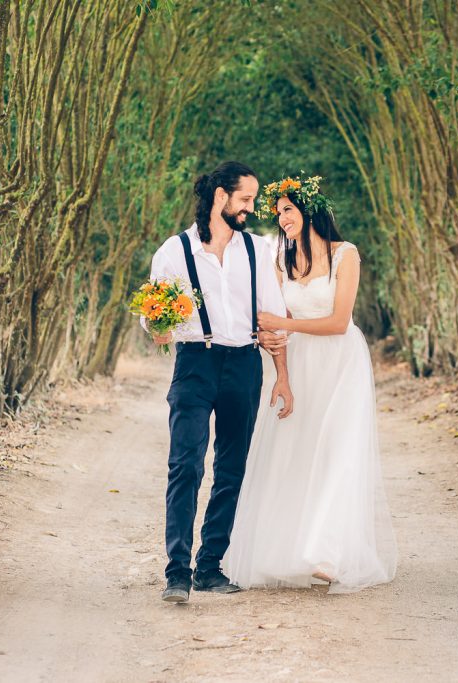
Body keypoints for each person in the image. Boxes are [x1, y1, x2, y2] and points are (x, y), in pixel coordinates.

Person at [223, 174, 397, 594]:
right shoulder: (281, 262)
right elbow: (271, 321)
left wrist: (283, 322)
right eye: (277, 213)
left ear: (309, 209)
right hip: (300, 366)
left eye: (287, 209)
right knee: (296, 455)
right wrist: (276, 361)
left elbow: (339, 322)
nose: (282, 219)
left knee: (338, 454)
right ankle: (286, 549)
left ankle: (328, 552)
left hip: (340, 364)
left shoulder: (345, 255)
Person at [145, 161, 293, 604]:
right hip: (195, 362)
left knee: (232, 470)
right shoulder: (174, 252)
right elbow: (154, 320)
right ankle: (177, 572)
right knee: (185, 466)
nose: (251, 208)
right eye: (245, 199)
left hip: (245, 365)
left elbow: (272, 317)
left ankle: (210, 567)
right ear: (219, 197)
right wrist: (157, 326)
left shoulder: (256, 253)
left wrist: (281, 373)